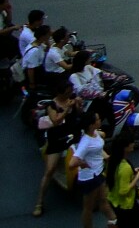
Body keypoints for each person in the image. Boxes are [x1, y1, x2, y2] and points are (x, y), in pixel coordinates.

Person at [33, 78, 83, 217]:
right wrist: (67, 109)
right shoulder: (52, 105)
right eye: (67, 92)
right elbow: (56, 121)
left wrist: (78, 105)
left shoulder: (72, 99)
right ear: (60, 93)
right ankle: (39, 202)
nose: (69, 94)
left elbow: (79, 115)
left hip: (73, 136)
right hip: (58, 139)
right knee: (49, 170)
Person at [68, 109, 115, 228]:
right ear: (91, 125)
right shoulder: (85, 142)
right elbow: (72, 163)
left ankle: (113, 221)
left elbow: (98, 147)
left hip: (98, 173)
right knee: (89, 208)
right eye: (98, 119)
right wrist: (83, 163)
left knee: (103, 201)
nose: (100, 120)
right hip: (90, 178)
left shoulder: (95, 133)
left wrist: (106, 156)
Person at [105, 130, 139, 228]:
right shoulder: (125, 167)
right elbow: (123, 191)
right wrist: (137, 177)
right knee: (137, 222)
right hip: (125, 204)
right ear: (125, 147)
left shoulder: (113, 161)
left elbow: (117, 175)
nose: (133, 144)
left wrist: (133, 171)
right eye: (131, 142)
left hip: (114, 200)